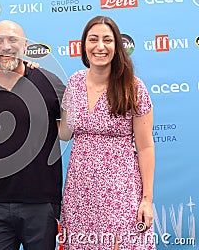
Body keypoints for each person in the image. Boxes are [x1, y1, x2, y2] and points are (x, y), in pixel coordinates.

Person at [0, 20, 66, 250]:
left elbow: (75, 127)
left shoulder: (50, 82)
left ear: (25, 45)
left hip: (41, 206)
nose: (6, 46)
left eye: (13, 40)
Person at [58, 16, 155, 249]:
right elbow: (64, 133)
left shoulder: (133, 87)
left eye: (107, 40)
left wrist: (147, 200)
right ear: (83, 45)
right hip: (80, 192)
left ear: (116, 47)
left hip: (120, 192)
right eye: (93, 39)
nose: (100, 46)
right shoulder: (74, 82)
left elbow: (145, 147)